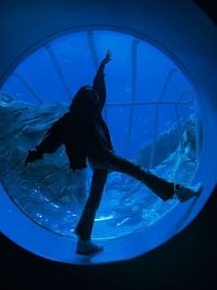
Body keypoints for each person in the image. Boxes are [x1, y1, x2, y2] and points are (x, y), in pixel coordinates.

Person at [26, 50, 203, 255]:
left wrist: (101, 69)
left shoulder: (92, 111)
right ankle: (178, 191)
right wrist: (36, 152)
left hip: (101, 156)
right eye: (91, 95)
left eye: (94, 95)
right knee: (138, 171)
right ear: (83, 100)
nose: (95, 97)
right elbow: (53, 136)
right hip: (101, 155)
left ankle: (83, 241)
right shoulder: (71, 118)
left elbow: (99, 90)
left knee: (95, 198)